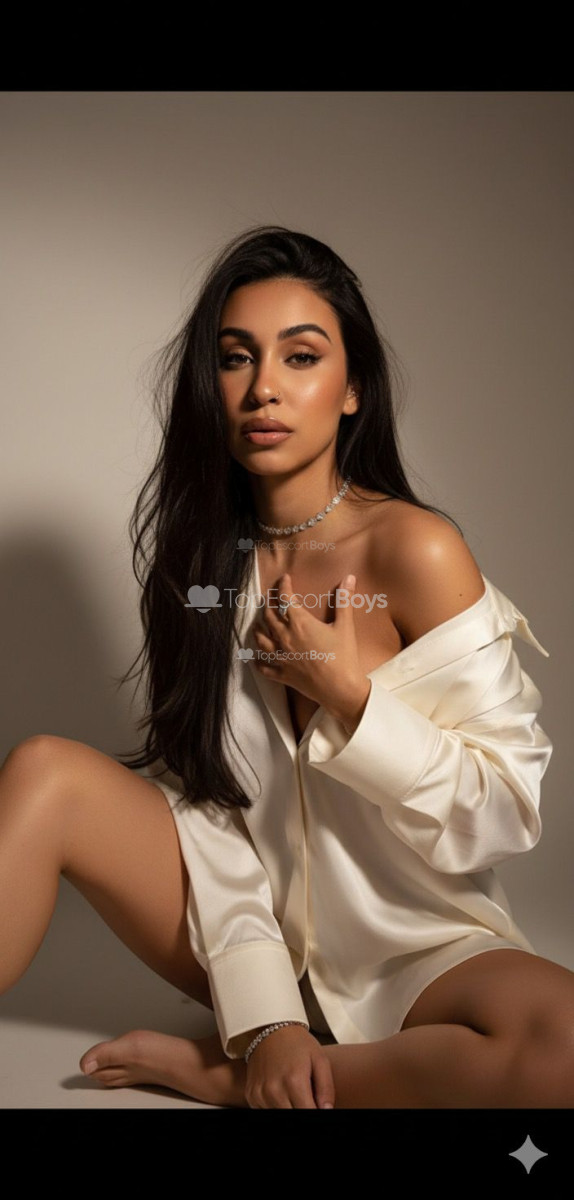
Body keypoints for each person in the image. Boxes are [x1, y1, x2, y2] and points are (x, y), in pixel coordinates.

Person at [1, 225, 572, 1110]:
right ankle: (275, 1054)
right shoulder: (200, 571)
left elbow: (507, 813)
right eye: (236, 358)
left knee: (564, 1046)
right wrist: (268, 1015)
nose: (263, 386)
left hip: (417, 950)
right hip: (245, 942)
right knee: (44, 771)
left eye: (301, 357)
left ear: (353, 389)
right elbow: (208, 806)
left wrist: (351, 700)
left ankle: (230, 1080)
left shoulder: (414, 551)